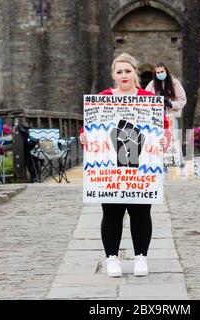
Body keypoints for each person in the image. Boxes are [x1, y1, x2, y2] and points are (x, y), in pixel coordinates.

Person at [80, 53, 171, 277]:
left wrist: (163, 139)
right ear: (113, 75)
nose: (123, 75)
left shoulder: (147, 99)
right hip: (109, 167)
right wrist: (84, 137)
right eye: (119, 72)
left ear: (134, 73)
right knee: (111, 211)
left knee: (141, 210)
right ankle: (112, 259)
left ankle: (141, 258)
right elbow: (89, 127)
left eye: (127, 71)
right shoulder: (102, 98)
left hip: (141, 166)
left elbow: (164, 127)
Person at [146, 63, 187, 172]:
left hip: (171, 116)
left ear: (166, 72)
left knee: (174, 140)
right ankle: (161, 165)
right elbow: (145, 99)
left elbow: (182, 100)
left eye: (162, 72)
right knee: (159, 140)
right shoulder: (152, 85)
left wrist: (171, 104)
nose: (160, 74)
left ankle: (180, 164)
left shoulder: (174, 83)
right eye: (158, 72)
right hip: (157, 117)